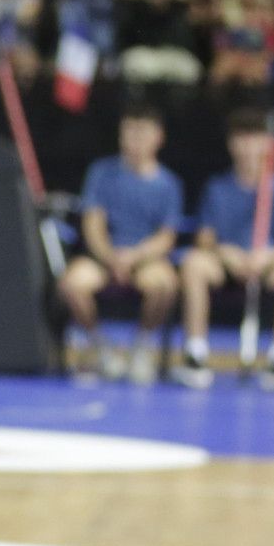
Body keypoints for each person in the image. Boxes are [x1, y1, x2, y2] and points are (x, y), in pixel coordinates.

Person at [174, 108, 274, 391]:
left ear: (268, 144)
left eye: (256, 138)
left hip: (267, 266)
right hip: (225, 264)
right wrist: (227, 253)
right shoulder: (217, 188)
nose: (249, 146)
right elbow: (205, 239)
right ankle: (195, 353)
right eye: (242, 139)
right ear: (231, 144)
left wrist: (267, 256)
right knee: (193, 263)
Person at [58, 102, 184, 384]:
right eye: (129, 133)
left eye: (143, 133)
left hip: (144, 259)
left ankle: (141, 345)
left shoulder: (168, 184)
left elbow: (166, 236)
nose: (136, 140)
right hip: (103, 257)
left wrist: (135, 257)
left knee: (165, 284)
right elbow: (93, 223)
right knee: (72, 283)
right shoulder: (102, 172)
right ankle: (100, 346)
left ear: (158, 137)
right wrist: (110, 257)